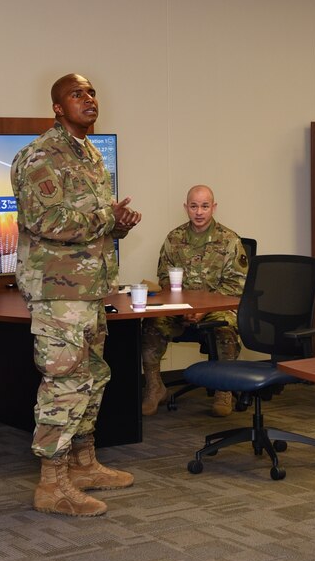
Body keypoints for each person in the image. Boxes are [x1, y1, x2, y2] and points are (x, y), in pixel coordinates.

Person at [12, 73, 142, 517]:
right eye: (76, 94)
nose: (88, 99)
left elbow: (93, 222)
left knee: (93, 374)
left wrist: (119, 222)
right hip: (56, 289)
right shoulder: (39, 156)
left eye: (91, 92)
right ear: (57, 107)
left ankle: (83, 463)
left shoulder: (89, 154)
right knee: (64, 381)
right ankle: (52, 482)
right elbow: (46, 220)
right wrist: (108, 218)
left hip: (88, 288)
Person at [140, 185, 249, 418]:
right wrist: (182, 307)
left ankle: (224, 388)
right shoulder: (174, 239)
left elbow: (236, 286)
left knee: (225, 328)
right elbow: (163, 279)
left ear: (214, 207)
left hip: (216, 309)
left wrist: (202, 309)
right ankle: (155, 386)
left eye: (204, 206)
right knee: (152, 325)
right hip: (179, 308)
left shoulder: (229, 240)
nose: (199, 212)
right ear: (186, 208)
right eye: (194, 206)